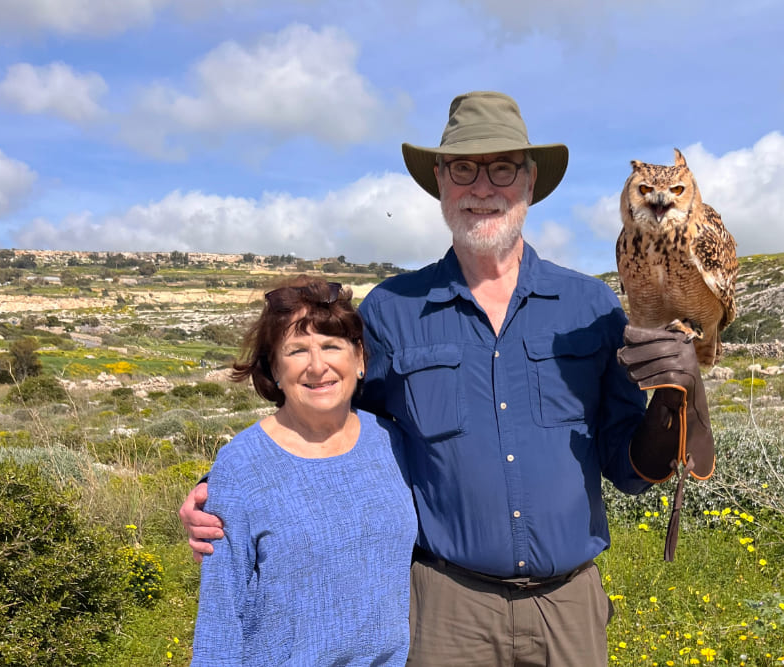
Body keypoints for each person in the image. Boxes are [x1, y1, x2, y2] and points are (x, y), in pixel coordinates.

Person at [182, 91, 709, 666]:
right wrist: (232, 489)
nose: (483, 187)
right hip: (444, 610)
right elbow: (332, 423)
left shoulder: (592, 306)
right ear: (440, 181)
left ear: (530, 181)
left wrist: (672, 403)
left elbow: (628, 464)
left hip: (569, 608)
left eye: (503, 167)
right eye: (464, 168)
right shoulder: (392, 310)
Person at [190, 276, 417, 666]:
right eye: (296, 350)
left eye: (332, 346)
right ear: (274, 368)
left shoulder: (391, 440)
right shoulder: (241, 466)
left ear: (360, 358)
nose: (317, 366)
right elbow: (221, 614)